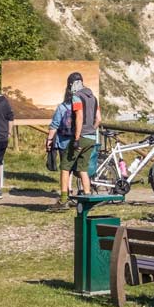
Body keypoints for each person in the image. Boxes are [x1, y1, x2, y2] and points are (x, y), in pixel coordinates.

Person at [50, 72, 101, 211]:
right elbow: (99, 119)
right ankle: (87, 197)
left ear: (72, 84)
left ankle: (63, 200)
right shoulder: (93, 98)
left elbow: (78, 117)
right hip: (91, 137)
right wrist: (91, 129)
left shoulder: (77, 96)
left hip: (80, 137)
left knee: (65, 167)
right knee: (82, 169)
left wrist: (77, 137)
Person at [44, 89, 75, 207]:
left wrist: (50, 140)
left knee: (65, 168)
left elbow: (54, 125)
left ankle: (67, 191)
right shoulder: (78, 108)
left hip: (63, 142)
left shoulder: (62, 107)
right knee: (74, 168)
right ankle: (75, 190)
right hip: (76, 141)